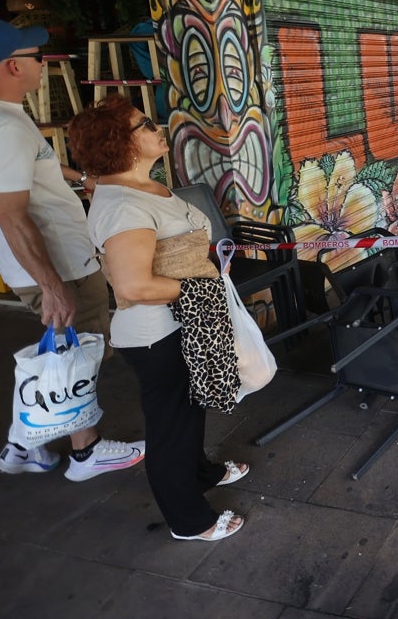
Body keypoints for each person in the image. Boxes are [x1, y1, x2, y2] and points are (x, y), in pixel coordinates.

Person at [0, 18, 146, 480]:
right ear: (14, 66)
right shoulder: (0, 128)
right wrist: (52, 286)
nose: (44, 65)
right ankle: (85, 452)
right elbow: (11, 214)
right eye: (38, 58)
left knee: (66, 351)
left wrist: (81, 179)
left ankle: (23, 443)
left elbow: (28, 171)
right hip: (60, 266)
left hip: (43, 265)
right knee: (84, 352)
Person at [68, 93, 248, 542]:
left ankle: (201, 472)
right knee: (170, 427)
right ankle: (189, 520)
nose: (157, 128)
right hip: (156, 334)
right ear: (121, 143)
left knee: (189, 410)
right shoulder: (123, 207)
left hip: (178, 325)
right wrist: (202, 289)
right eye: (144, 124)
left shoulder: (137, 188)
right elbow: (131, 287)